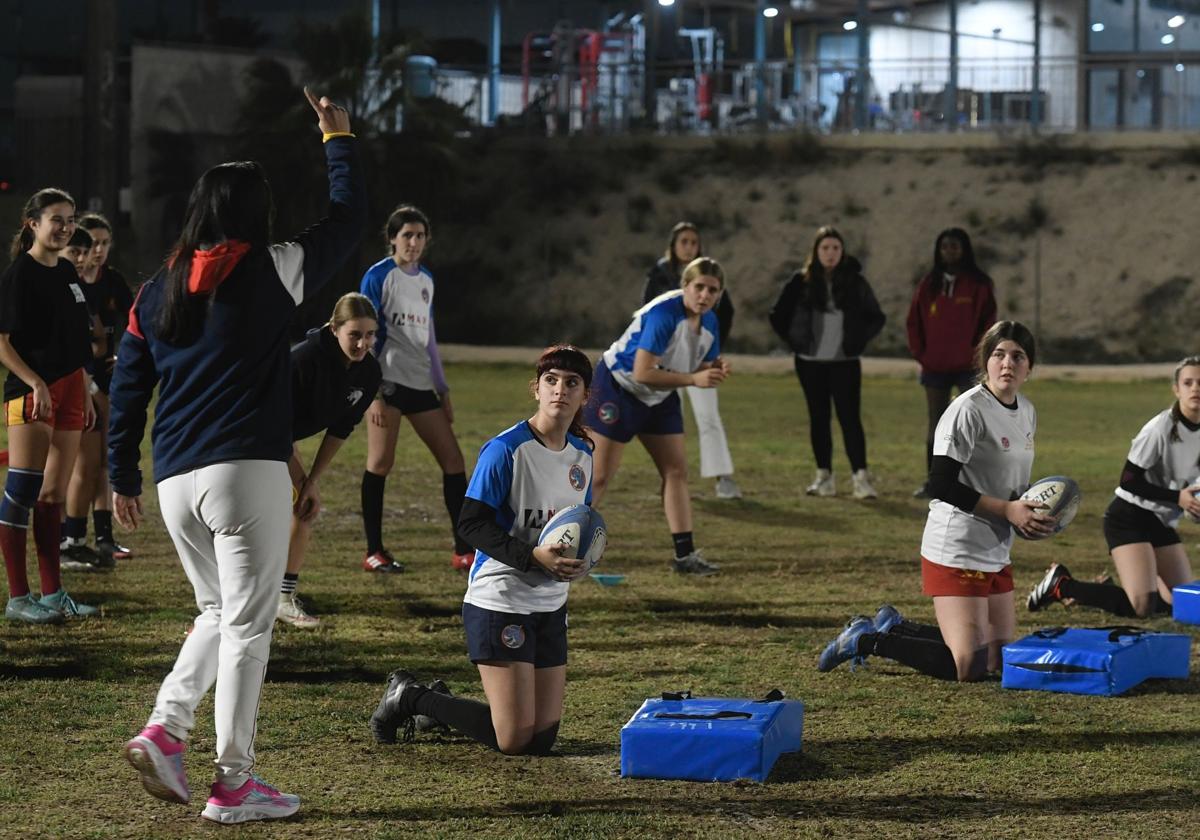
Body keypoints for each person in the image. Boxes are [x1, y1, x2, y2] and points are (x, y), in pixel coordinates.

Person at [112, 88, 365, 824]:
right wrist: (338, 140)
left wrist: (122, 472)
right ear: (255, 213)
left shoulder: (156, 287)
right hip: (242, 471)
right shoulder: (270, 266)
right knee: (249, 625)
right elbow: (347, 224)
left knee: (220, 612)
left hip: (174, 479)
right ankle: (232, 782)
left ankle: (166, 729)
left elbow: (128, 386)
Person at [369, 344, 595, 756]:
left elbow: (577, 525)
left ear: (585, 396)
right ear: (536, 388)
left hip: (550, 604)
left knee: (540, 740)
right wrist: (531, 557)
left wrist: (581, 560)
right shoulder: (506, 449)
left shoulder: (584, 455)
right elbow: (470, 524)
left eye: (572, 383)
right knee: (513, 739)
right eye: (551, 381)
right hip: (500, 599)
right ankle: (410, 696)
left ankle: (438, 705)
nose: (560, 390)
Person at [817, 321, 1054, 682]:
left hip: (995, 547)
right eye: (999, 355)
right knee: (968, 667)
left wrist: (1030, 510)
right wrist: (1007, 510)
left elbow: (1009, 482)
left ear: (1029, 367)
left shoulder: (1027, 412)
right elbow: (940, 483)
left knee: (1001, 661)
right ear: (984, 362)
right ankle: (868, 640)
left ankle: (896, 627)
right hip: (957, 545)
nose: (1008, 364)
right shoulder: (968, 410)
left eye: (1018, 357)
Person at [586, 257, 729, 576]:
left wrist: (714, 369)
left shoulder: (710, 322)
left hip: (659, 393)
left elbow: (699, 364)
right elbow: (642, 371)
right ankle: (559, 547)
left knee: (676, 470)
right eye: (699, 287)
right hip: (619, 388)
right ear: (685, 286)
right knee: (598, 476)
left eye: (712, 290)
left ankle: (685, 556)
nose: (705, 295)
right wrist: (694, 379)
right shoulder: (665, 313)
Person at [1027, 356, 1200, 619]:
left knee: (1185, 606)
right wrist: (1178, 497)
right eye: (1188, 382)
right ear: (1176, 389)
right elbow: (1128, 480)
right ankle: (1061, 585)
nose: (1195, 388)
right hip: (1128, 516)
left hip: (1161, 521)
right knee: (1142, 607)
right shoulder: (1160, 428)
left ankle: (1111, 589)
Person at [0, 187, 97, 624]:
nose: (65, 227)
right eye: (56, 219)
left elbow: (74, 338)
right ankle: (19, 598)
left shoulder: (67, 272)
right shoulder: (20, 275)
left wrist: (85, 383)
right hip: (31, 390)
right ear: (32, 224)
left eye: (70, 219)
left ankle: (53, 593)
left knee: (53, 495)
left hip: (72, 388)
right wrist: (35, 382)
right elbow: (1, 343)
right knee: (22, 491)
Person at [359, 205, 472, 573]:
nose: (414, 242)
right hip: (388, 383)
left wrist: (442, 389)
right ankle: (374, 552)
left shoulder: (426, 280)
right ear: (392, 238)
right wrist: (372, 392)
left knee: (454, 462)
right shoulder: (378, 276)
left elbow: (430, 339)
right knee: (380, 463)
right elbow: (365, 334)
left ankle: (463, 550)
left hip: (421, 384)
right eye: (407, 235)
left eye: (420, 235)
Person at [279, 292, 382, 628]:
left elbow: (341, 428)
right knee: (262, 514)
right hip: (252, 432)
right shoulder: (305, 360)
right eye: (354, 334)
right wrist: (299, 480)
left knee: (304, 506)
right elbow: (274, 424)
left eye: (369, 335)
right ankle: (231, 601)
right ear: (334, 328)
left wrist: (312, 481)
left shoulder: (368, 372)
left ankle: (281, 597)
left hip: (282, 436)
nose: (362, 343)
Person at [769, 226, 885, 500]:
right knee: (818, 419)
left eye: (835, 248)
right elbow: (777, 314)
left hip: (845, 362)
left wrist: (857, 341)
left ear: (842, 251)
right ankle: (824, 477)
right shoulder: (801, 281)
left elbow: (876, 316)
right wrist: (795, 341)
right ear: (816, 252)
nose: (830, 253)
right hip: (810, 362)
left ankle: (861, 478)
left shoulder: (855, 282)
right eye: (825, 248)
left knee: (850, 419)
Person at [643, 222, 740, 500]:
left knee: (709, 417)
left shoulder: (708, 274)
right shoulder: (660, 274)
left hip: (700, 359)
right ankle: (673, 481)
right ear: (673, 245)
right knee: (672, 421)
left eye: (693, 242)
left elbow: (726, 312)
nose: (688, 247)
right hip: (666, 363)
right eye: (683, 241)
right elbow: (647, 312)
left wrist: (713, 349)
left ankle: (724, 478)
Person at [62, 213, 135, 568]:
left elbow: (138, 320)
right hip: (78, 380)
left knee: (106, 460)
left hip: (105, 379)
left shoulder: (112, 281)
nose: (98, 250)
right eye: (92, 243)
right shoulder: (68, 285)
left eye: (105, 243)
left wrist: (124, 355)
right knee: (85, 463)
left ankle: (103, 537)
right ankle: (70, 538)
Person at [906, 228, 996, 498]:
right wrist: (923, 354)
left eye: (955, 246)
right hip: (934, 368)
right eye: (945, 246)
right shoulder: (929, 284)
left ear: (965, 249)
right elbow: (914, 323)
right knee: (937, 425)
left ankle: (974, 483)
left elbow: (988, 323)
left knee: (974, 424)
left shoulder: (979, 284)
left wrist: (977, 355)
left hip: (968, 367)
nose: (949, 251)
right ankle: (935, 483)